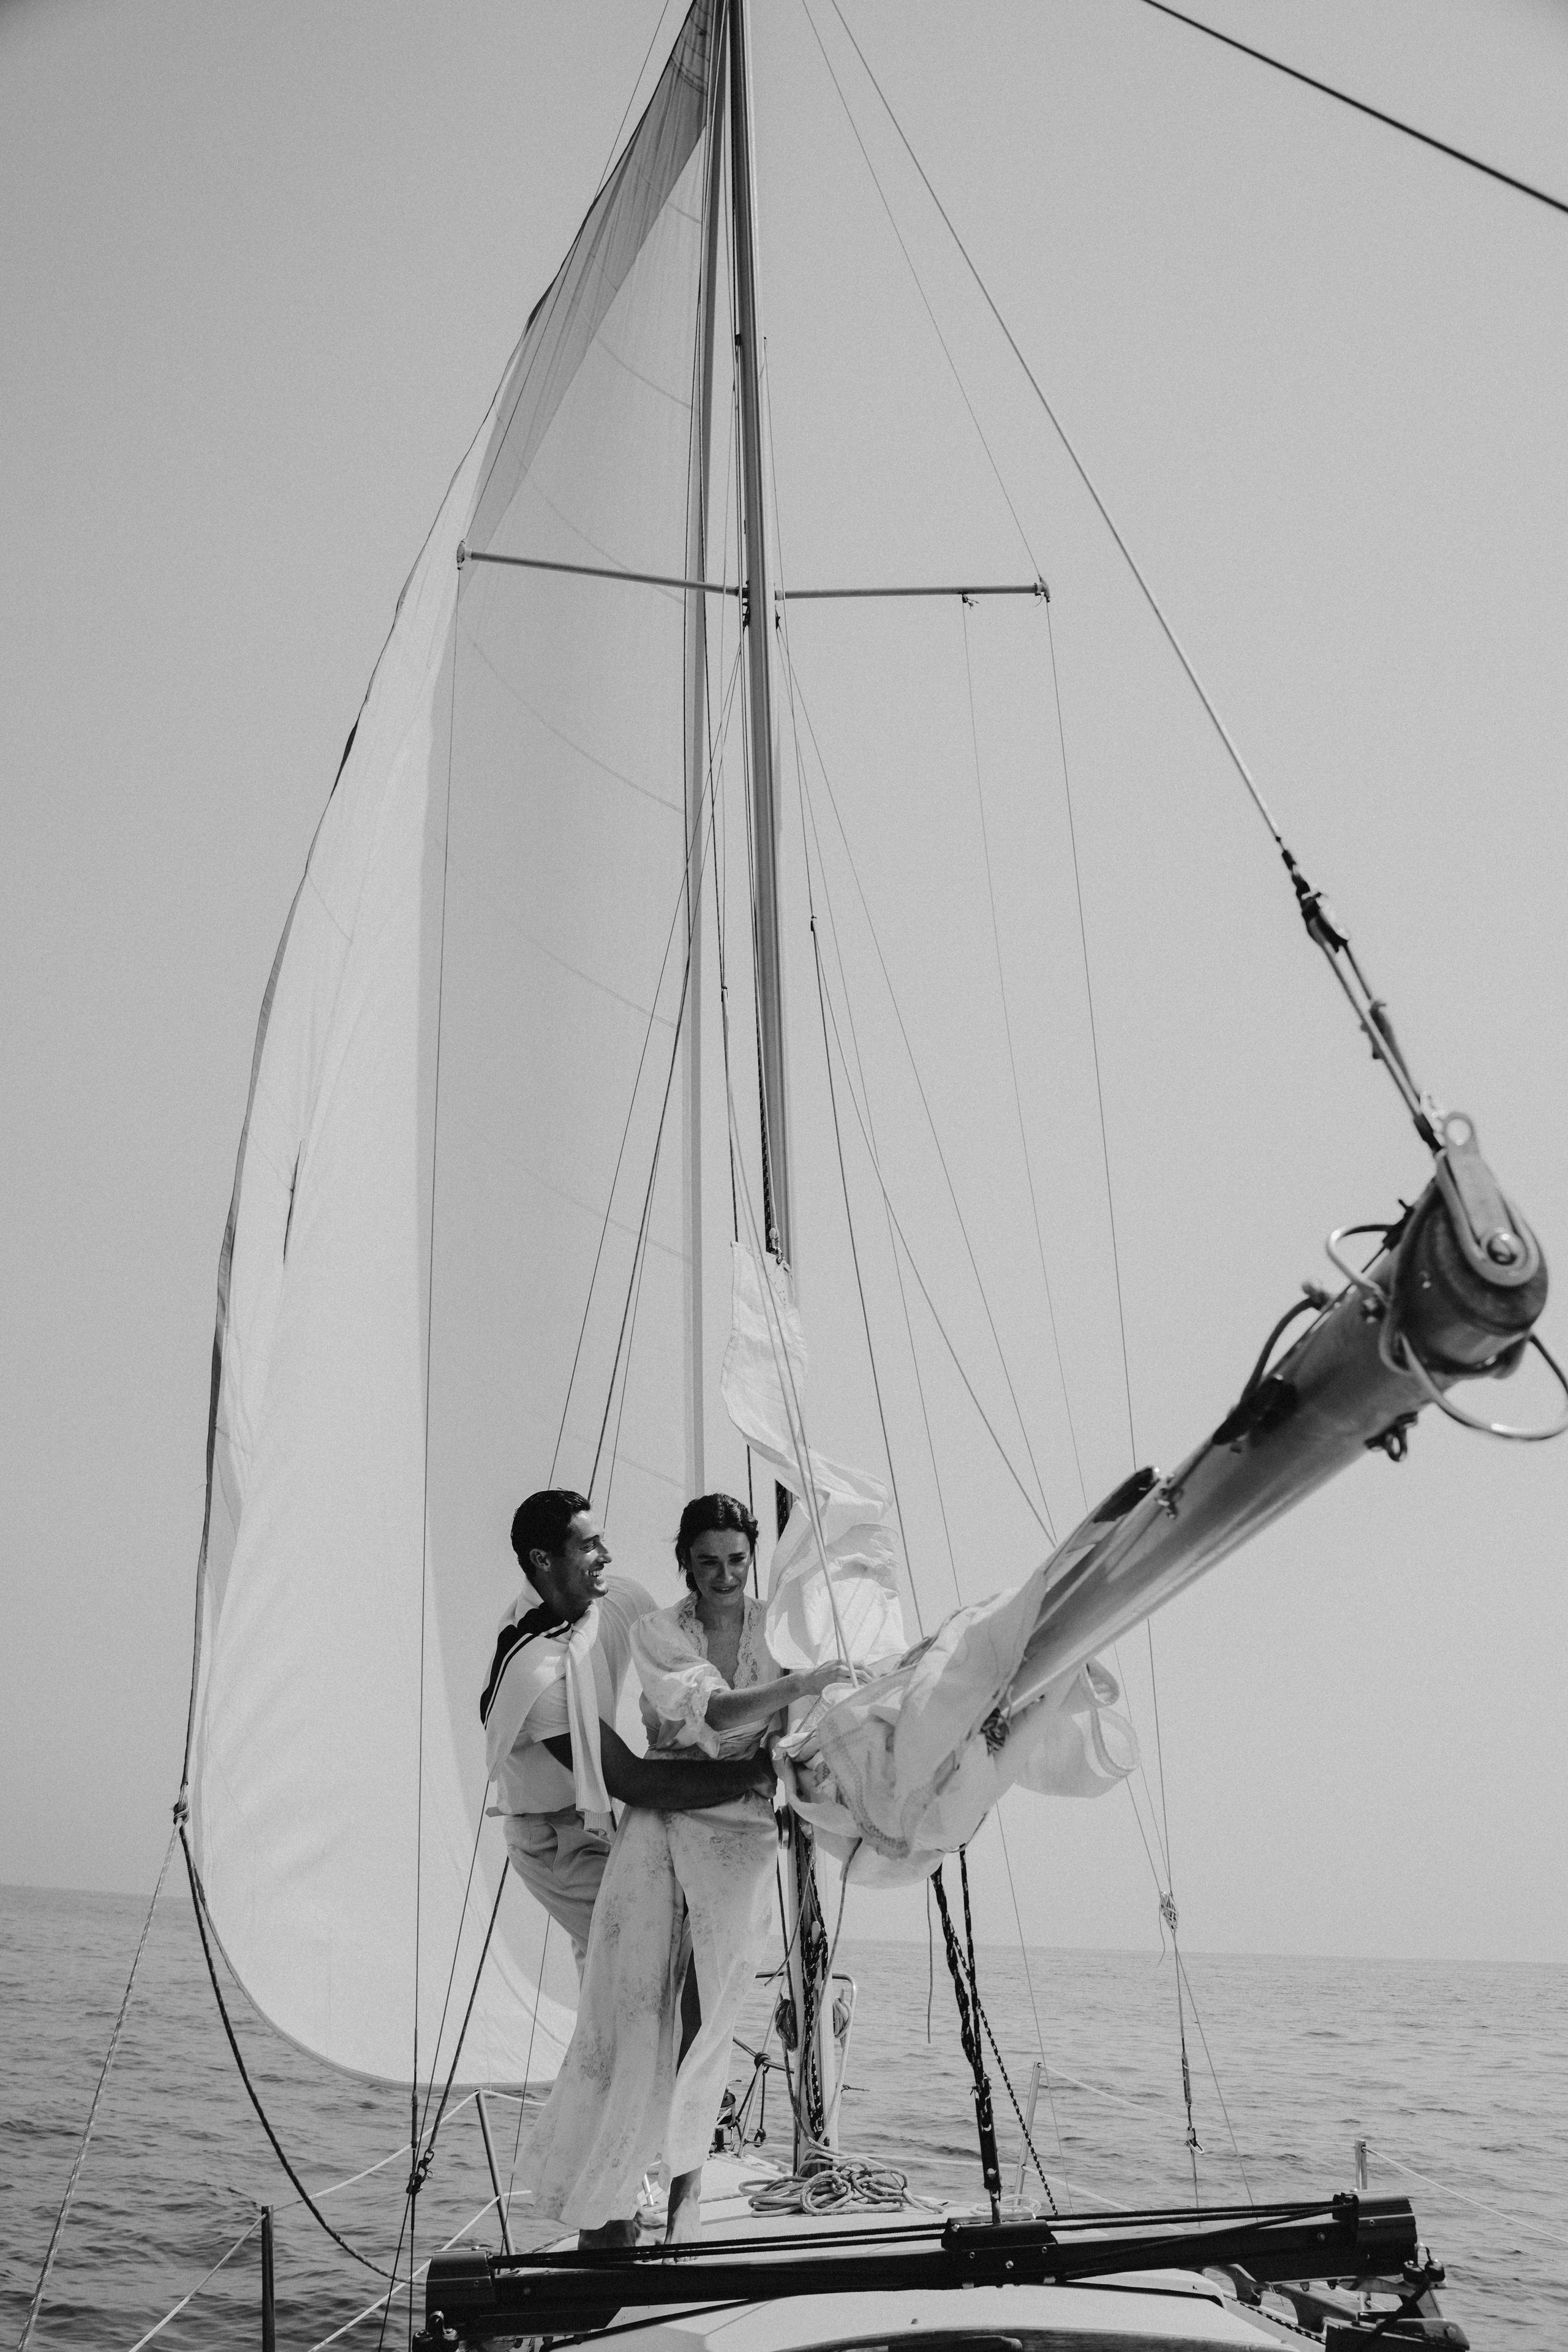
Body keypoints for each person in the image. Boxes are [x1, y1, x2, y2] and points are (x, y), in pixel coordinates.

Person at [519, 1493, 843, 2246]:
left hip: (743, 1829)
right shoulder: (658, 1631)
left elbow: (809, 1726)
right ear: (685, 1564)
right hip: (665, 1814)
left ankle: (686, 2190)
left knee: (711, 2011)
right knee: (628, 2001)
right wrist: (800, 1684)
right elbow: (718, 1713)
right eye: (707, 1563)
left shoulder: (784, 1628)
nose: (723, 1576)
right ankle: (599, 2183)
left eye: (736, 1561)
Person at [481, 1489, 774, 1977]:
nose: (607, 1556)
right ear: (542, 1560)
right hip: (553, 1838)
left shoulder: (623, 1599)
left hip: (609, 1821)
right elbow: (633, 1780)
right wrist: (752, 1773)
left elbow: (678, 1668)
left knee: (615, 1987)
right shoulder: (533, 1672)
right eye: (590, 1546)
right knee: (653, 1963)